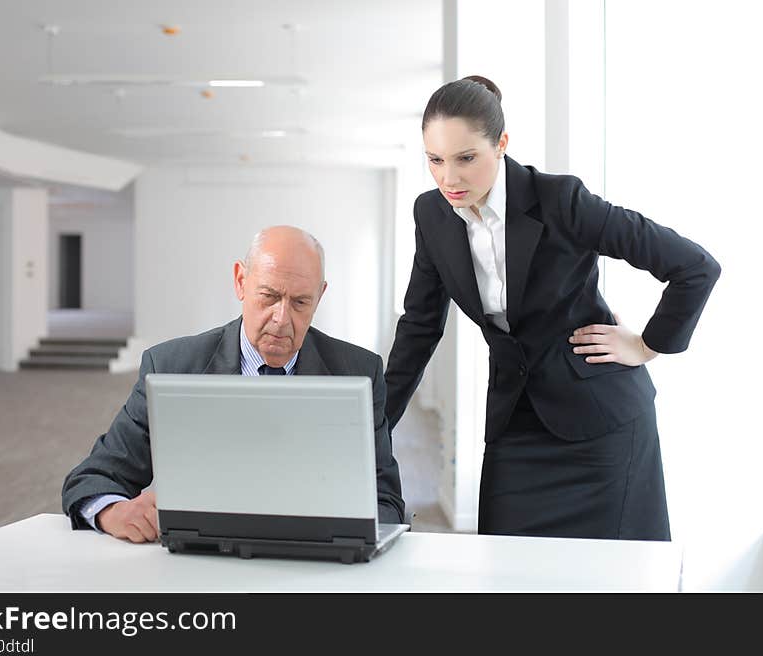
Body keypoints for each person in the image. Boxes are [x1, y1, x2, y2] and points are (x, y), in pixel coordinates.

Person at [385, 76, 720, 541]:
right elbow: (420, 327)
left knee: (613, 586)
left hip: (602, 429)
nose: (449, 178)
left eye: (466, 159)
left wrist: (648, 345)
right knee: (509, 578)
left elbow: (695, 267)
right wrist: (375, 427)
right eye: (435, 160)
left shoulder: (560, 201)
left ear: (501, 144)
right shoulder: (432, 215)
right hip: (514, 430)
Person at [63, 225, 405, 542]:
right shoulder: (171, 367)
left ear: (321, 295)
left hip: (317, 558)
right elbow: (92, 477)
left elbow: (386, 500)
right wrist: (113, 511)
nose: (281, 319)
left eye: (300, 302)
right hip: (204, 561)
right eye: (269, 296)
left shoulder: (359, 372)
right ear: (241, 281)